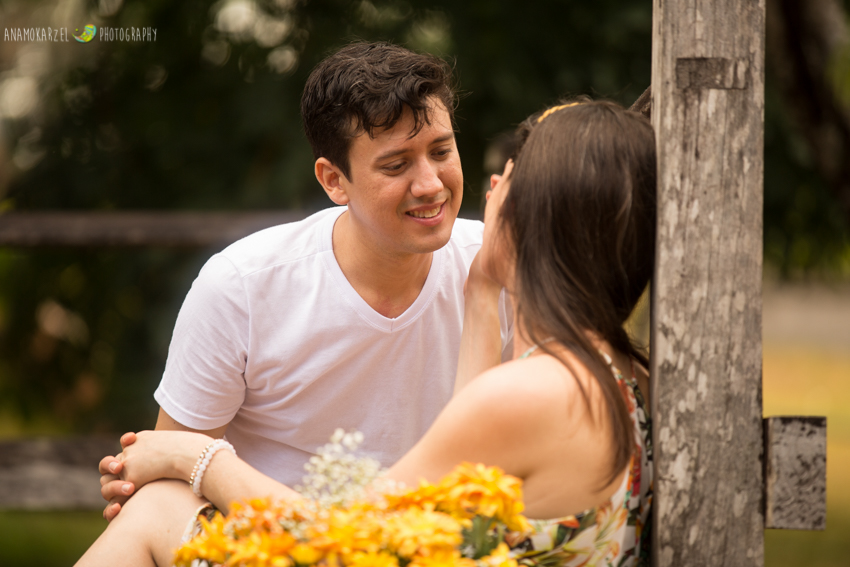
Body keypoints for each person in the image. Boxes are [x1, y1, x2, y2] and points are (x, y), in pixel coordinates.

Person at [78, 98, 656, 567]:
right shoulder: (617, 372)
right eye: (397, 163)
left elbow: (344, 535)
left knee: (157, 510)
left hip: (357, 543)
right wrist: (482, 293)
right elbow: (458, 495)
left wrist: (199, 456)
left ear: (538, 216)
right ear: (335, 180)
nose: (490, 189)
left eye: (508, 181)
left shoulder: (530, 394)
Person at [98, 41, 513, 520]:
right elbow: (171, 473)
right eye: (396, 165)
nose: (430, 184)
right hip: (267, 543)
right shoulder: (242, 287)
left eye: (441, 150)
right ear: (333, 180)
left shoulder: (497, 267)